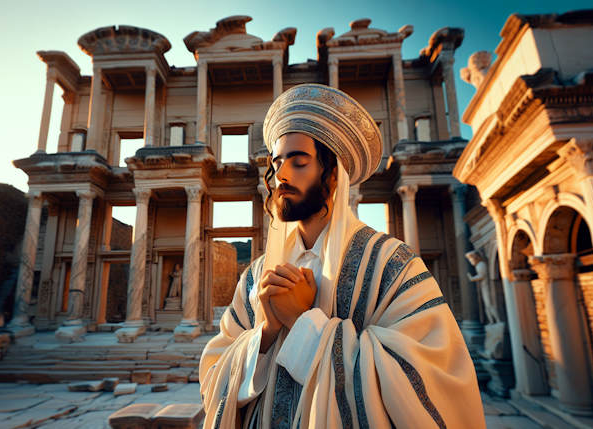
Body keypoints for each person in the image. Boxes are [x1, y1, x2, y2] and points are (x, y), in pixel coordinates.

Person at [200, 84, 484, 428]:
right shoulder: (257, 273)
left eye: (299, 162)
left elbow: (432, 381)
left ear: (334, 175)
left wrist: (301, 322)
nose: (281, 176)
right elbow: (215, 370)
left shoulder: (392, 264)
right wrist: (268, 330)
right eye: (276, 165)